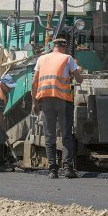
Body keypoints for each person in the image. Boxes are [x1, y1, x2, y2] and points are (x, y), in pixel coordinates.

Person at [32, 37, 84, 179]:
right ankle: (67, 168)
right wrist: (78, 71)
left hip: (46, 101)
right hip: (63, 101)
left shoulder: (41, 59)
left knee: (50, 135)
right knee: (66, 135)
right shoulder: (67, 58)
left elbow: (34, 82)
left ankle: (52, 170)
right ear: (64, 47)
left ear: (53, 46)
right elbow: (79, 80)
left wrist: (34, 103)